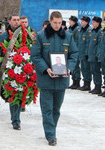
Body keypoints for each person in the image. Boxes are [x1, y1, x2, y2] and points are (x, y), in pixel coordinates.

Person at [31, 11, 78, 146]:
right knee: (47, 109)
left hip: (61, 80)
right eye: (55, 23)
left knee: (56, 109)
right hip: (47, 79)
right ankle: (51, 135)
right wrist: (46, 69)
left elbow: (74, 53)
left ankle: (52, 130)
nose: (57, 26)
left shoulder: (68, 37)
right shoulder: (40, 36)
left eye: (59, 23)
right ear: (50, 21)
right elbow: (35, 55)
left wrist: (69, 68)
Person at [0, 14, 23, 130]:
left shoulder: (24, 35)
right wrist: (1, 59)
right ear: (9, 22)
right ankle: (16, 120)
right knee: (13, 94)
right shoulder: (4, 36)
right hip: (9, 69)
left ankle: (17, 116)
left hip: (22, 69)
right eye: (14, 20)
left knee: (20, 93)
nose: (16, 22)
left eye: (18, 20)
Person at [87, 16, 102, 94]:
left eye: (94, 22)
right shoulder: (93, 31)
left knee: (96, 71)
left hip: (95, 55)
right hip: (91, 54)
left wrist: (97, 54)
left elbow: (99, 45)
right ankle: (96, 85)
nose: (92, 23)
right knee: (93, 70)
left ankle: (98, 86)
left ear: (98, 23)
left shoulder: (100, 32)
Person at [77, 16, 92, 91]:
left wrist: (86, 53)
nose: (81, 22)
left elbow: (88, 43)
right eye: (81, 21)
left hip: (85, 53)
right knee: (83, 68)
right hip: (81, 52)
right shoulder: (81, 30)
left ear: (87, 22)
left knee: (87, 69)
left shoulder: (89, 31)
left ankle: (87, 84)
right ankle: (84, 83)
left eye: (83, 21)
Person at [68, 15, 80, 89]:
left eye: (71, 21)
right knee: (72, 67)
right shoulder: (70, 29)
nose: (69, 22)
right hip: (70, 50)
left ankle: (77, 82)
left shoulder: (76, 29)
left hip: (75, 50)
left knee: (76, 67)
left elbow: (77, 41)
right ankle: (73, 81)